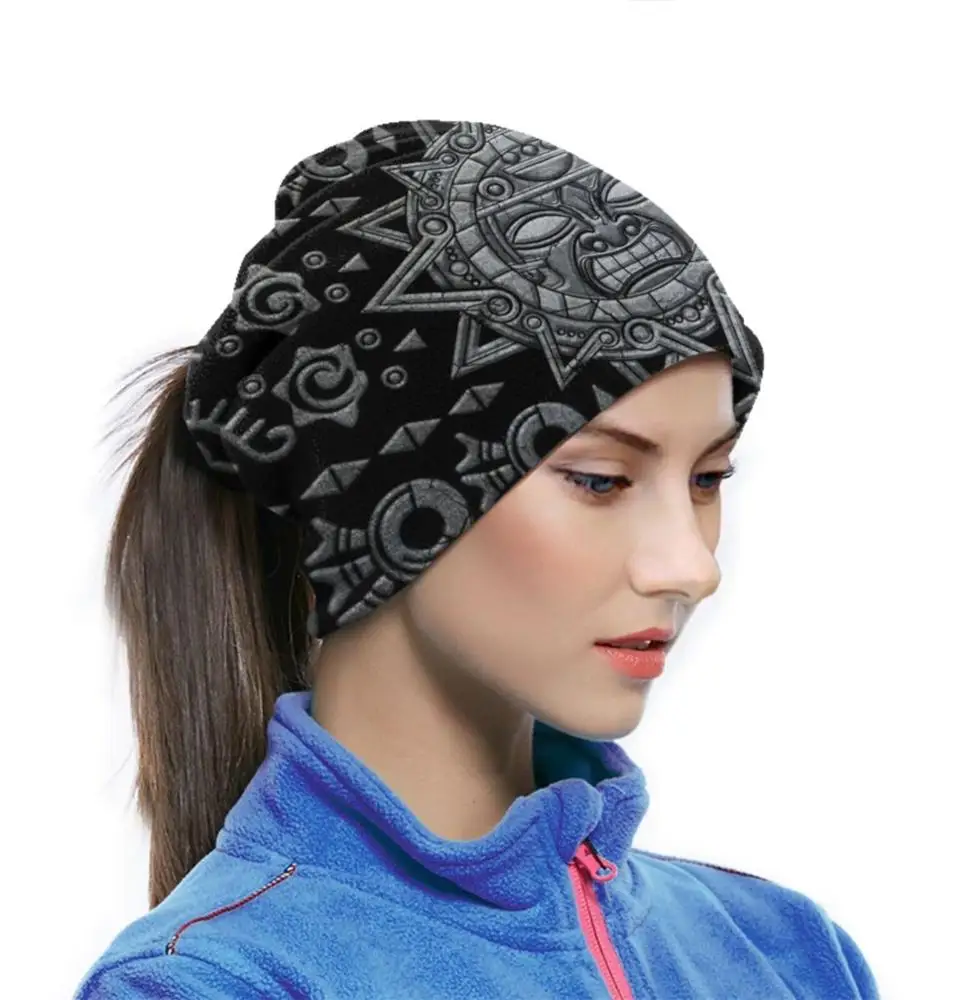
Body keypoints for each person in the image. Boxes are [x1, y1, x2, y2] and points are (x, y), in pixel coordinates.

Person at [74, 119, 880, 998]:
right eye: (602, 480)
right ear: (385, 496)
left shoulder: (785, 951)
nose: (691, 567)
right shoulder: (215, 983)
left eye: (708, 478)